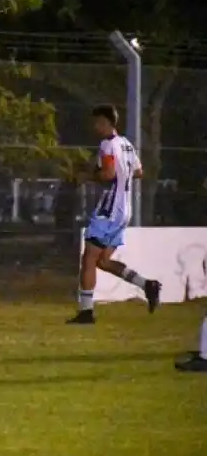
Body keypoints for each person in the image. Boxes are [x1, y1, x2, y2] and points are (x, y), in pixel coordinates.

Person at [68, 104, 161, 324]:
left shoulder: (107, 145)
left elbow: (108, 173)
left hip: (109, 209)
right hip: (124, 210)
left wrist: (88, 176)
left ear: (107, 122)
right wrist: (122, 175)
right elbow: (139, 172)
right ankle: (147, 284)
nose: (95, 127)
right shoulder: (127, 144)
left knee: (88, 259)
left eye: (98, 122)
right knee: (103, 261)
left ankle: (86, 312)